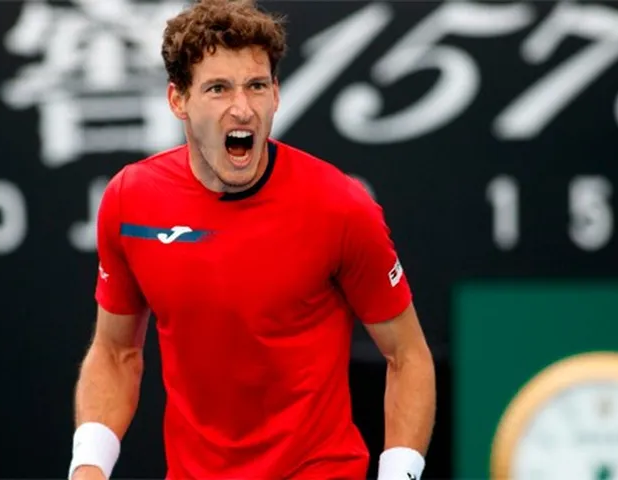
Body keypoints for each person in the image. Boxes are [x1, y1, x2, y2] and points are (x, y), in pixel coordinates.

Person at [68, 0, 436, 478]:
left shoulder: (340, 206)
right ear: (178, 100)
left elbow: (407, 357)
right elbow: (116, 354)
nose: (242, 108)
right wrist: (88, 466)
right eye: (218, 88)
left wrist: (400, 473)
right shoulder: (129, 201)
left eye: (257, 86)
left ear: (276, 94)